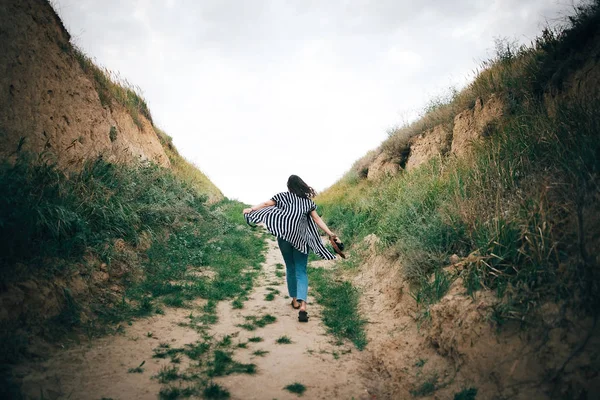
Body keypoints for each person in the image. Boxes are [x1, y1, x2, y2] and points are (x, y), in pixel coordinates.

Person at [243, 175, 340, 322]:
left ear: (289, 187)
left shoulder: (282, 197)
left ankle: (295, 300)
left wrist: (251, 209)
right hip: (302, 239)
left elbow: (265, 204)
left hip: (285, 237)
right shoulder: (307, 202)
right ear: (302, 186)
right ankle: (303, 307)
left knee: (290, 267)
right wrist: (331, 234)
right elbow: (317, 219)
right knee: (301, 270)